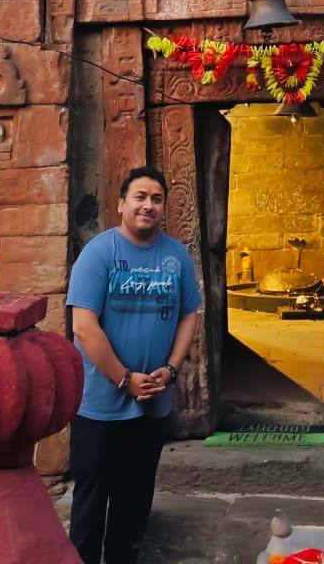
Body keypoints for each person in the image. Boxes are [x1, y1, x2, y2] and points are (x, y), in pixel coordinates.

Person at [66, 166, 201, 564]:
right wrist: (124, 379)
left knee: (135, 499)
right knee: (92, 500)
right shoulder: (99, 253)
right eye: (140, 197)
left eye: (156, 199)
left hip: (151, 404)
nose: (148, 205)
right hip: (100, 404)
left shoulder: (175, 256)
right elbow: (83, 326)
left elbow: (189, 314)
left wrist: (171, 369)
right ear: (121, 203)